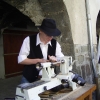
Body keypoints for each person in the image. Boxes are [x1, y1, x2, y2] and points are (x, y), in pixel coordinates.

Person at [18, 18, 64, 84]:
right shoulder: (29, 40)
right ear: (40, 31)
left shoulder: (55, 43)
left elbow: (62, 62)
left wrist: (56, 60)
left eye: (52, 35)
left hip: (49, 79)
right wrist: (39, 60)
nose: (50, 38)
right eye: (48, 35)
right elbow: (21, 60)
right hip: (29, 79)